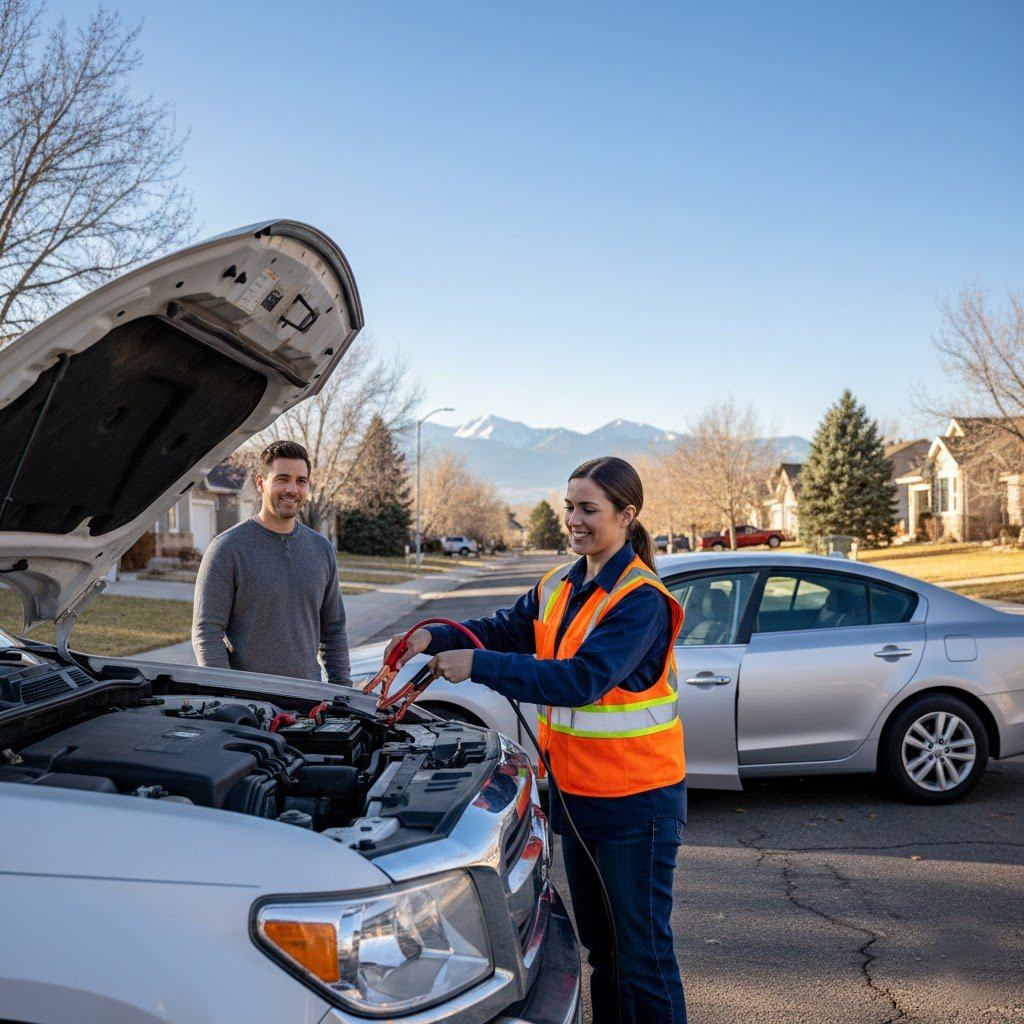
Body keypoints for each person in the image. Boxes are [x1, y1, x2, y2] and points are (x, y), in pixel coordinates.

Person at [386, 456, 687, 1024]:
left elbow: (582, 679)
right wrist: (435, 635)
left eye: (588, 509)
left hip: (637, 806)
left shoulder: (641, 600)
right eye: (569, 506)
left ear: (627, 515)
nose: (573, 519)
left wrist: (478, 665)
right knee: (605, 955)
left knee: (642, 958)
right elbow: (502, 629)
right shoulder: (560, 584)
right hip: (578, 799)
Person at [192, 440, 351, 685]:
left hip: (309, 697)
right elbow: (207, 634)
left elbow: (334, 630)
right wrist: (229, 692)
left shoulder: (321, 549)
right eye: (282, 479)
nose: (292, 489)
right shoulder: (227, 548)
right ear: (260, 483)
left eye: (301, 481)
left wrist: (341, 692)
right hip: (249, 700)